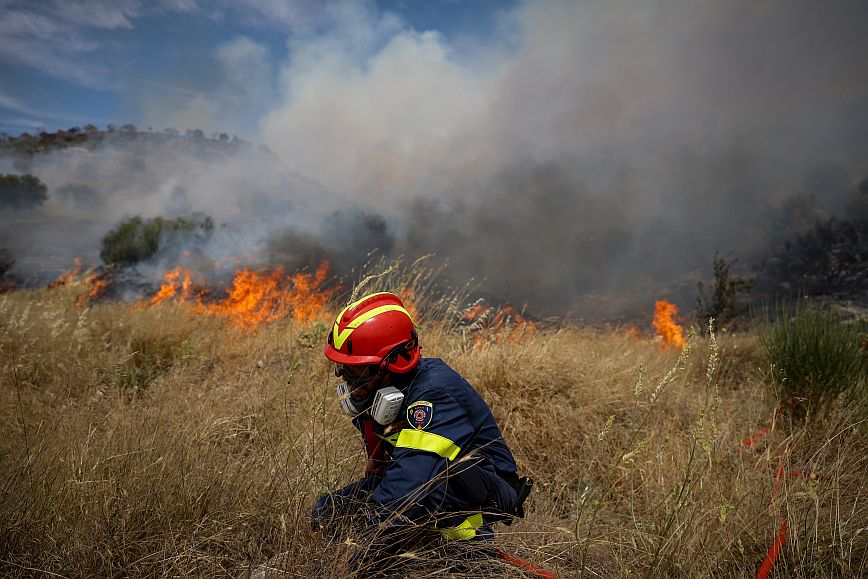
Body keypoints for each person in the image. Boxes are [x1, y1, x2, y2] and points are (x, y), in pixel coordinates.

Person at [311, 291, 531, 567]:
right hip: (425, 477)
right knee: (327, 511)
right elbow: (388, 468)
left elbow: (406, 485)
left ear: (394, 362)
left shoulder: (432, 395)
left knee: (427, 488)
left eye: (358, 371)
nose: (349, 380)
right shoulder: (379, 391)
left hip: (479, 487)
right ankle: (425, 538)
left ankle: (471, 556)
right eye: (343, 369)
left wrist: (360, 553)